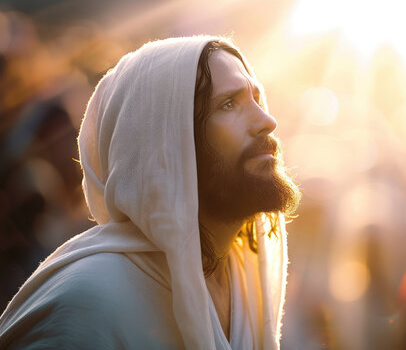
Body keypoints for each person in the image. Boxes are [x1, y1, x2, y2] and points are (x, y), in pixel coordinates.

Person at [0, 36, 300, 349]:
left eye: (257, 98)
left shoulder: (242, 279)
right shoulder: (88, 304)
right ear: (166, 146)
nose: (267, 121)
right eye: (228, 104)